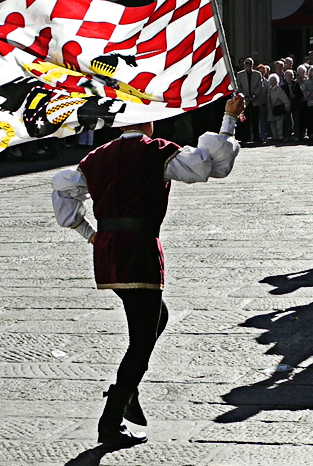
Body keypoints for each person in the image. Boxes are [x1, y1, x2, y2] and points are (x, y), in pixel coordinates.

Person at [51, 94, 246, 446]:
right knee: (141, 339)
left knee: (157, 318)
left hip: (109, 251)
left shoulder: (97, 156)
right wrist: (228, 120)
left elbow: (63, 189)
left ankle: (128, 393)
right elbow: (208, 165)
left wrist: (89, 233)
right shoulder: (156, 151)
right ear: (149, 121)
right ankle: (113, 416)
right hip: (139, 250)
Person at [264, 72, 291, 143]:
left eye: (274, 80)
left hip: (278, 110)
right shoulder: (269, 90)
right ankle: (274, 137)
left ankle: (280, 137)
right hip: (271, 110)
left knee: (279, 125)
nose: (272, 81)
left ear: (277, 81)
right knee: (272, 125)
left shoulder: (279, 89)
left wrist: (287, 107)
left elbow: (285, 99)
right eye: (271, 80)